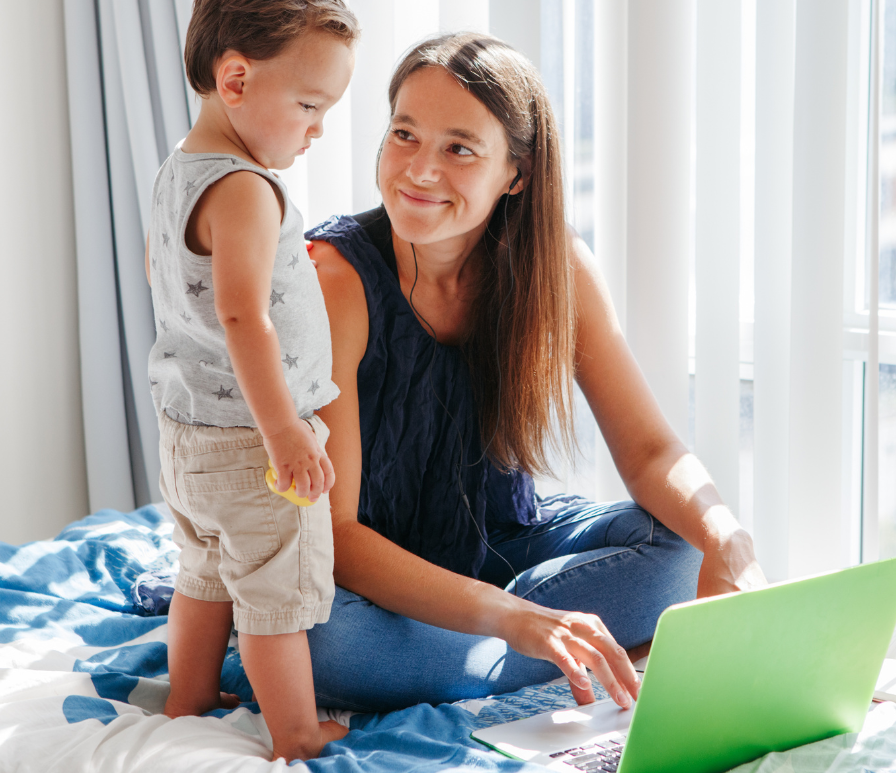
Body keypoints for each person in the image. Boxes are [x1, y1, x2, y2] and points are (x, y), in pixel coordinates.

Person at [305, 32, 768, 714]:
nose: (419, 169)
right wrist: (518, 618)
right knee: (331, 642)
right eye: (404, 133)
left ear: (516, 172)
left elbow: (649, 450)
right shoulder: (335, 278)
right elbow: (337, 538)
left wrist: (728, 539)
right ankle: (540, 644)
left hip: (499, 547)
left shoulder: (557, 266)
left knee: (679, 549)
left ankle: (492, 652)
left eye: (458, 148)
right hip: (374, 587)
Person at [144, 0, 358, 761]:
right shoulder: (243, 188)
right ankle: (295, 730)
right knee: (277, 588)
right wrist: (284, 431)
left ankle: (190, 695)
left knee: (203, 569)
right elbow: (242, 314)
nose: (317, 128)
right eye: (309, 105)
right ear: (235, 78)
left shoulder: (180, 170)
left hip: (187, 432)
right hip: (250, 441)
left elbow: (167, 283)